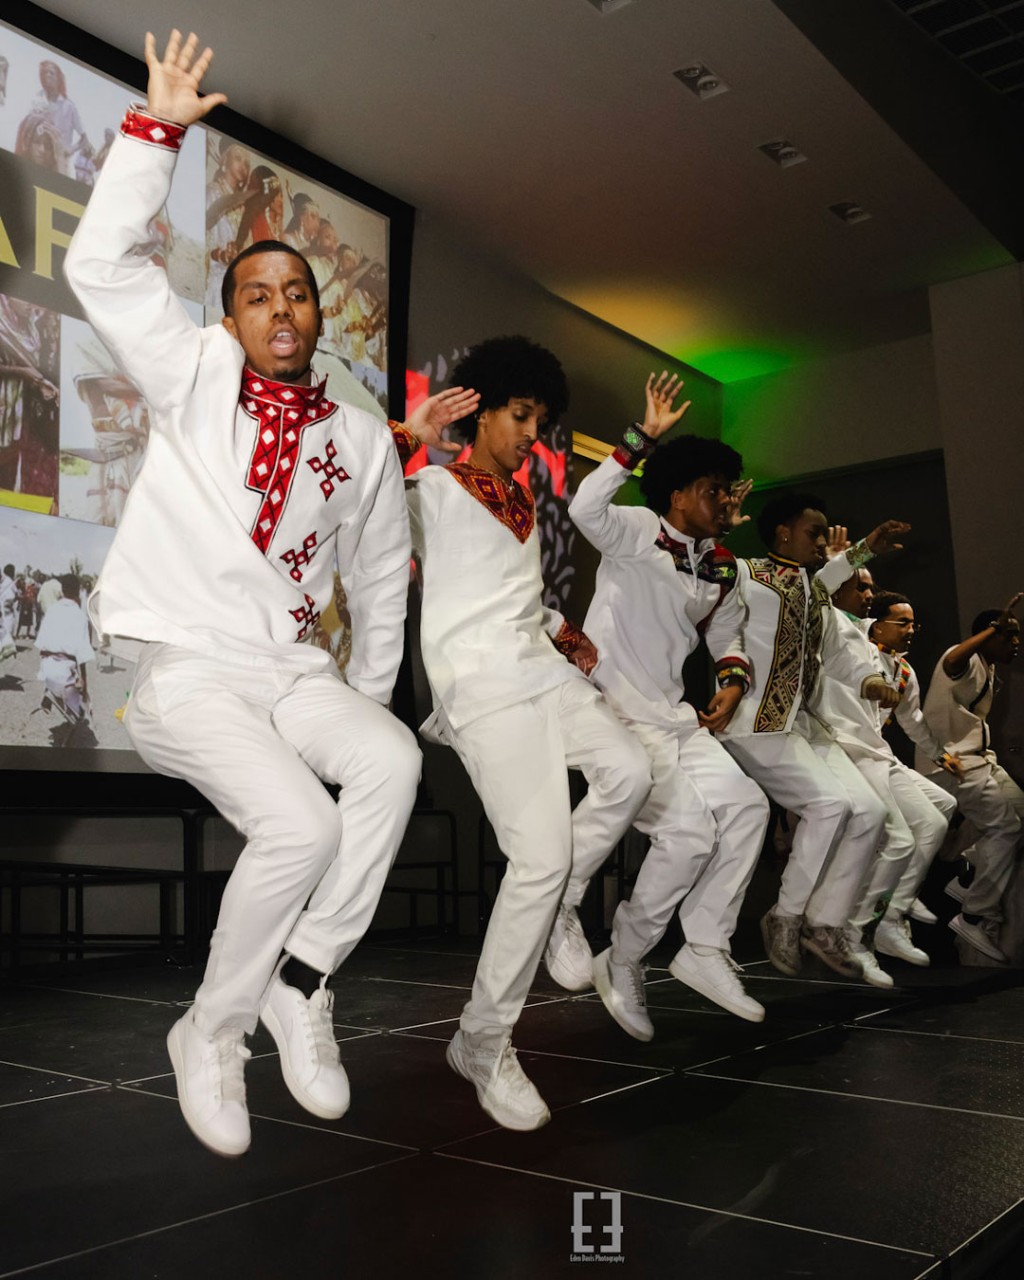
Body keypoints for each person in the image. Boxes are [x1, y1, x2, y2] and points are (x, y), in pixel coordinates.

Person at [64, 30, 421, 1158]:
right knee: (300, 822)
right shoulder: (195, 374)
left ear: (321, 317)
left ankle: (301, 980)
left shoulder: (363, 441)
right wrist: (155, 131)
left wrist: (362, 703)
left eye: (298, 294)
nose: (279, 309)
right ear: (230, 318)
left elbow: (376, 579)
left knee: (393, 758)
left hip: (292, 672)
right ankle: (209, 1032)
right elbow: (100, 271)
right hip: (190, 670)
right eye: (256, 294)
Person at [400, 335, 652, 1130]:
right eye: (520, 414)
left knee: (630, 771)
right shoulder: (432, 492)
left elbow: (510, 597)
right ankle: (483, 1039)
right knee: (536, 857)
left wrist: (559, 626)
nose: (531, 432)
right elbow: (353, 497)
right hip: (481, 687)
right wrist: (410, 434)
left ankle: (565, 907)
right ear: (479, 409)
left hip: (540, 672)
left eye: (540, 418)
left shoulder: (522, 506)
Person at [550, 373, 769, 1036]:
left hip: (676, 719)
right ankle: (625, 956)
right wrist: (639, 437)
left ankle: (702, 948)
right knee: (688, 836)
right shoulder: (637, 532)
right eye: (713, 490)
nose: (725, 500)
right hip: (618, 716)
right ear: (677, 495)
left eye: (729, 491)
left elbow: (727, 635)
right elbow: (586, 508)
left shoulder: (722, 565)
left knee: (747, 808)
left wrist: (730, 682)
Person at [719, 495, 909, 978]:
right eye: (814, 533)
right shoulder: (747, 574)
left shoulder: (812, 591)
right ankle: (785, 914)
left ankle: (824, 923)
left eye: (826, 535)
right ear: (783, 533)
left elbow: (836, 646)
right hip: (755, 723)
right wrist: (861, 549)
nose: (823, 542)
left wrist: (870, 682)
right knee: (831, 806)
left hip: (800, 724)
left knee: (869, 810)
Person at [820, 579, 960, 984]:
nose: (910, 629)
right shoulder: (850, 643)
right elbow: (838, 617)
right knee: (906, 835)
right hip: (847, 750)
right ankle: (867, 926)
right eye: (901, 622)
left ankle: (895, 904)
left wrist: (940, 755)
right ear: (876, 625)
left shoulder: (902, 670)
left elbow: (912, 721)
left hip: (879, 752)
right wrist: (849, 562)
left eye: (913, 623)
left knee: (943, 810)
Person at [918, 594, 1024, 963]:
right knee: (1006, 828)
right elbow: (953, 660)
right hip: (953, 764)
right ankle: (976, 914)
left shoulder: (989, 667)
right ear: (987, 635)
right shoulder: (964, 660)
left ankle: (967, 877)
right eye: (1008, 636)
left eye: (1016, 636)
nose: (1015, 643)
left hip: (980, 761)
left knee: (1019, 814)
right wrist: (994, 627)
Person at [34, 571, 94, 727]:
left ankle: (49, 691)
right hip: (64, 675)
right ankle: (64, 700)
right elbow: (82, 657)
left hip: (46, 671)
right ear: (78, 592)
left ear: (62, 591)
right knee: (79, 713)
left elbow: (41, 645)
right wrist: (85, 686)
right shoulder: (81, 617)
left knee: (56, 670)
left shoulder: (52, 611)